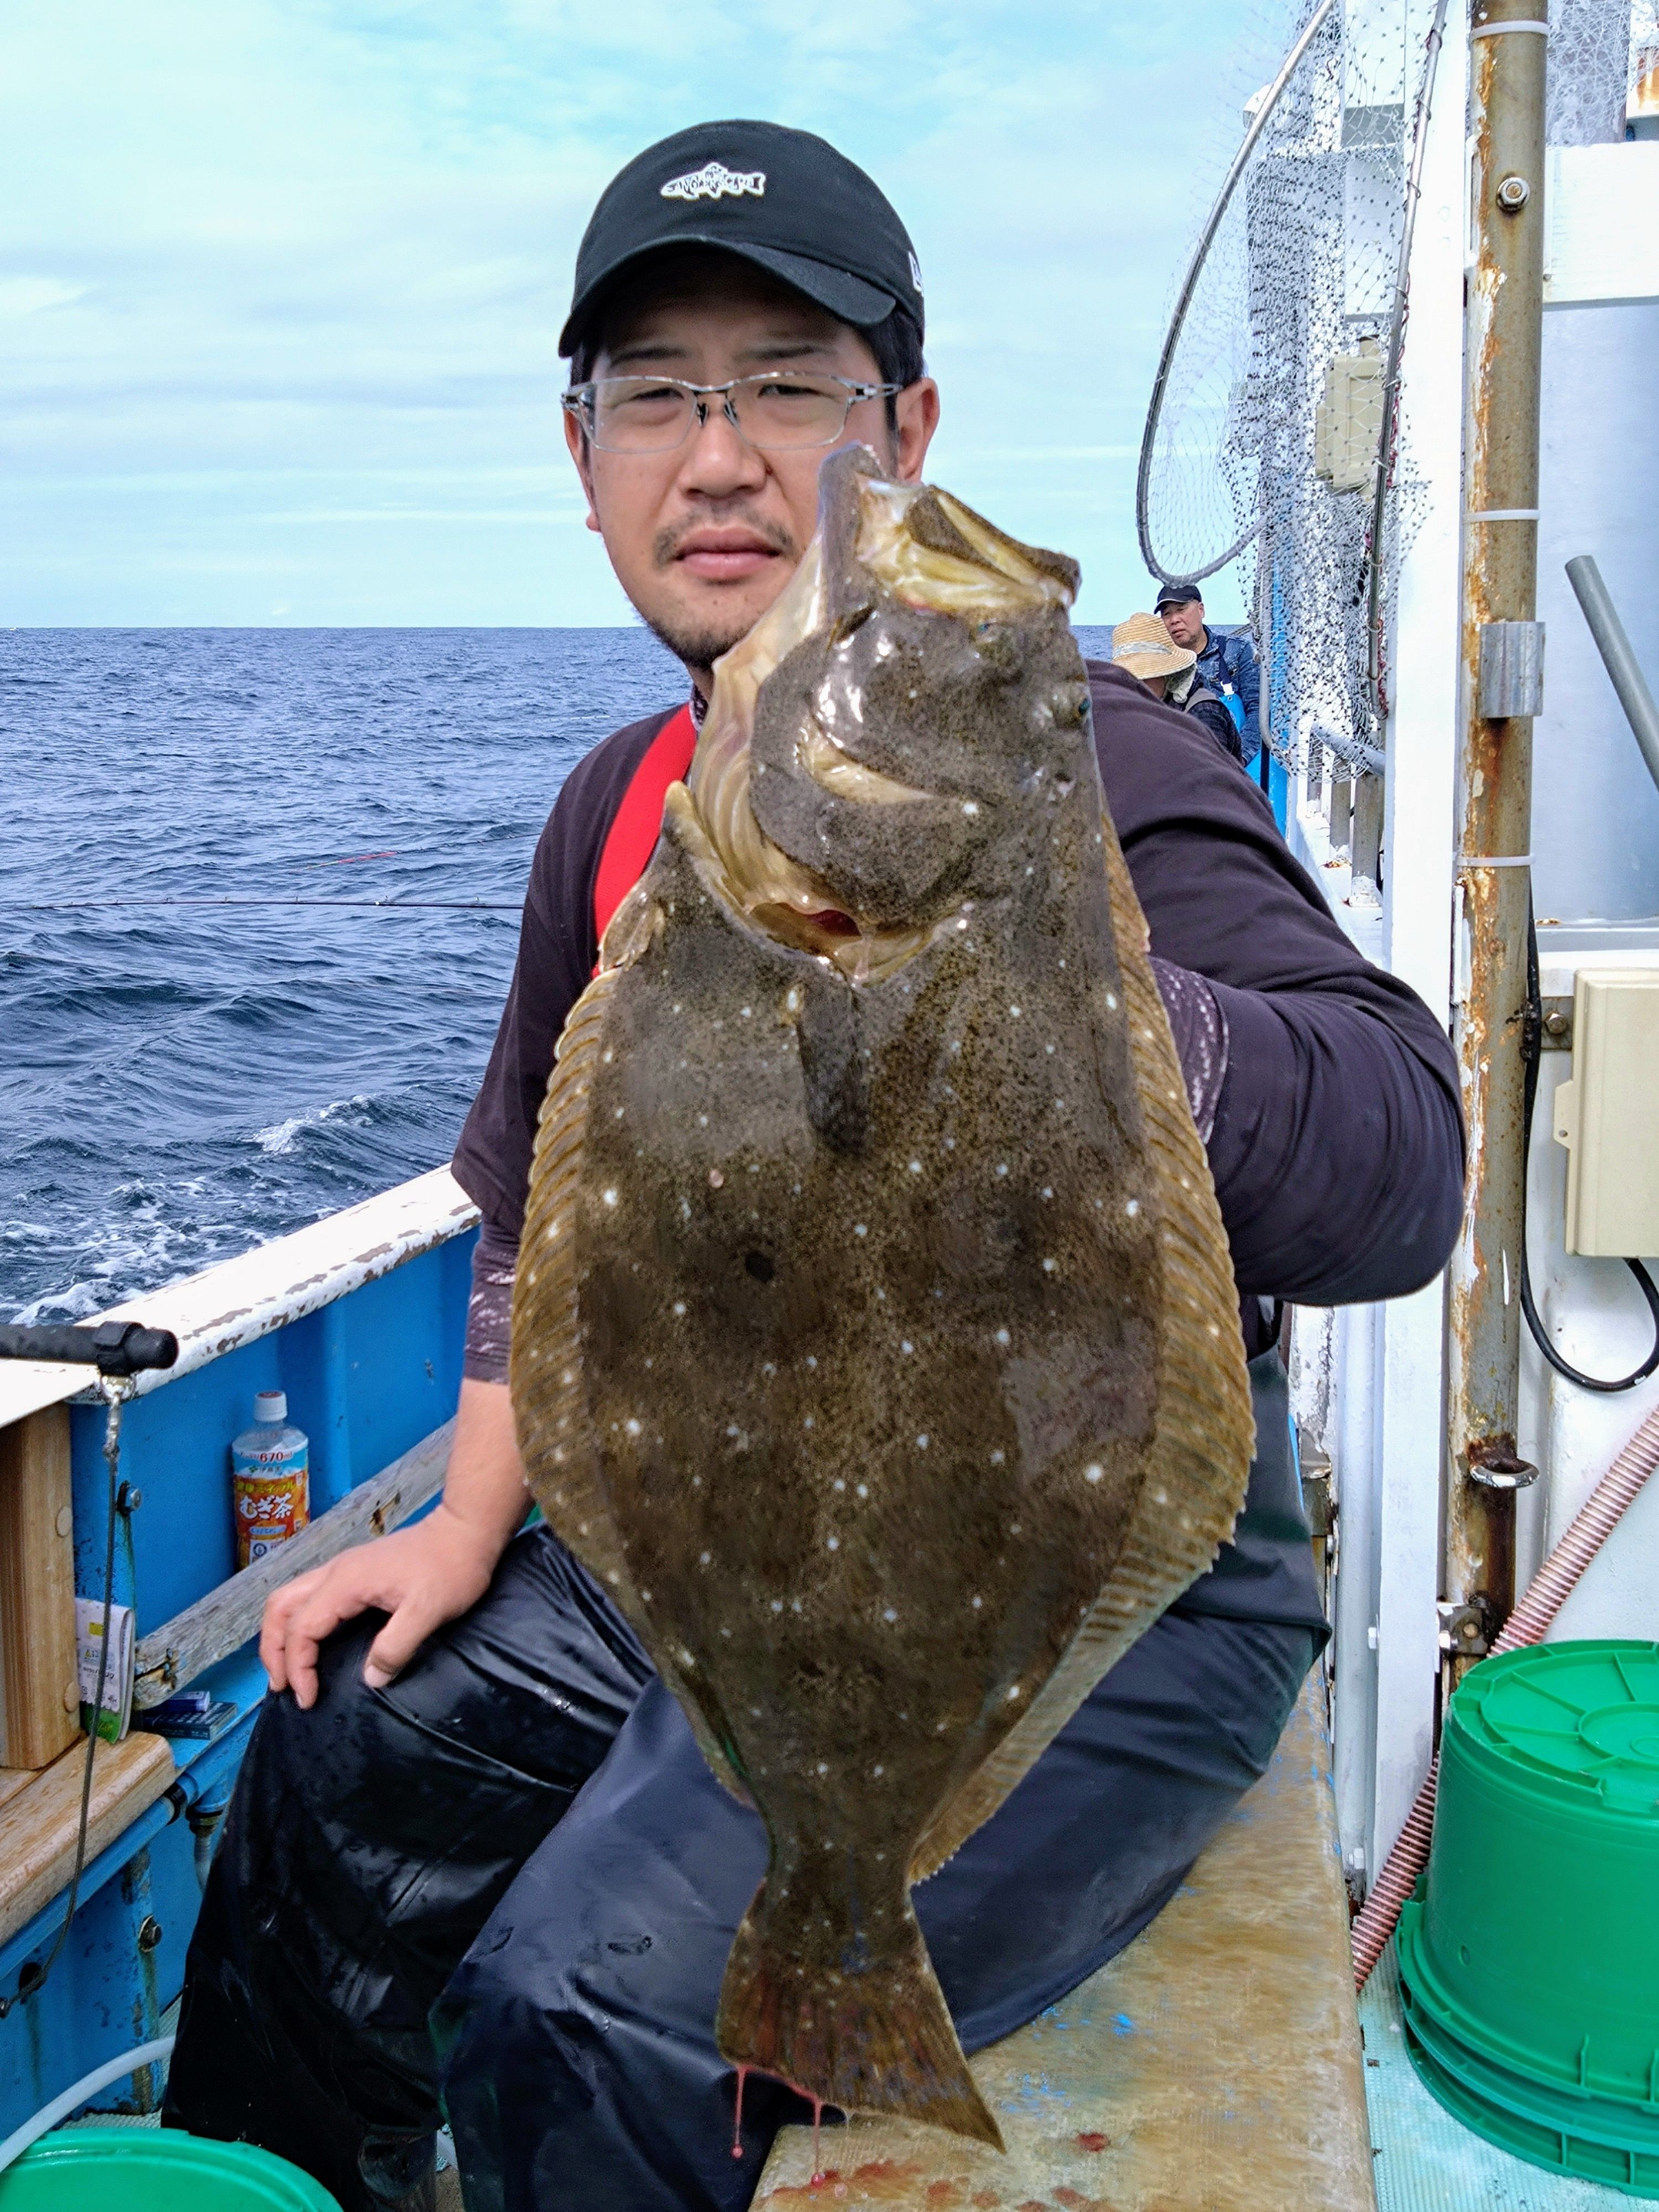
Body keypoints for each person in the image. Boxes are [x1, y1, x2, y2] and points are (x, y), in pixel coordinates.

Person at [163, 119, 1464, 2212]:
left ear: (903, 434)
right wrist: (467, 1521)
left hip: (1085, 1587)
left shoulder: (1078, 760)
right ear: (582, 452)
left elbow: (1402, 1159)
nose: (718, 456)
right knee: (332, 1745)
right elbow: (539, 1217)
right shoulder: (618, 805)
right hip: (742, 1532)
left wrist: (1071, 1011)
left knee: (584, 2004)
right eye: (656, 395)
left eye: (786, 385)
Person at [1155, 580, 1261, 765]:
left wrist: (1238, 760)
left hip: (1239, 763)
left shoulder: (1236, 651)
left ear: (1201, 610)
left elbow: (1258, 710)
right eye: (1167, 614)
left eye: (1181, 609)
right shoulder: (1158, 667)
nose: (1174, 620)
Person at [1111, 611, 1242, 759]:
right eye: (1127, 678)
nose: (1135, 685)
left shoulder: (1203, 714)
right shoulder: (1153, 703)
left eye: (1144, 676)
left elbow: (1211, 772)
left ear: (1168, 672)